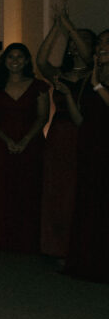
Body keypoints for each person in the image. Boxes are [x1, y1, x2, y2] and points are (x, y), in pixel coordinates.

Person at [0, 43, 49, 253]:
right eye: (10, 57)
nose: (14, 60)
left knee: (27, 188)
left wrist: (25, 140)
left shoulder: (39, 86)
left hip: (31, 142)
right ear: (4, 61)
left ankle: (26, 240)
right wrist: (6, 139)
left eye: (19, 57)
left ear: (26, 61)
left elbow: (42, 116)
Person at [36, 9, 95, 257]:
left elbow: (87, 55)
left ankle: (75, 247)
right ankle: (54, 246)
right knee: (55, 190)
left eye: (78, 41)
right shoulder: (61, 74)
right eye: (71, 42)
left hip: (84, 133)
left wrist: (69, 25)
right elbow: (40, 62)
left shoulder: (96, 75)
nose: (73, 46)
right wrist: (56, 28)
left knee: (76, 190)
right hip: (59, 134)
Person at [65, 29, 109, 281]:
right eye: (100, 43)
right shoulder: (91, 77)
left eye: (107, 43)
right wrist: (70, 96)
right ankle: (87, 261)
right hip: (91, 144)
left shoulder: (97, 81)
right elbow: (81, 118)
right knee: (90, 202)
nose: (101, 47)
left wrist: (98, 85)